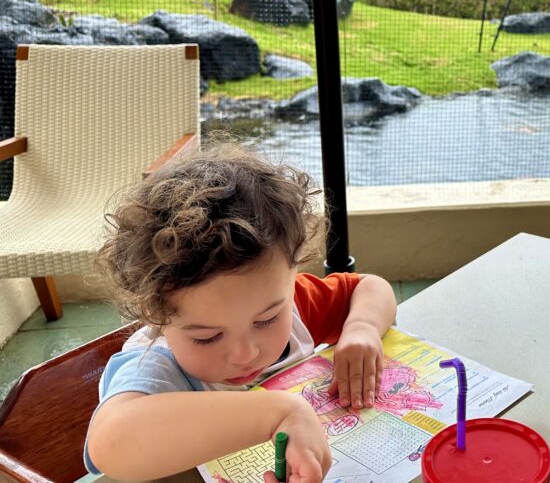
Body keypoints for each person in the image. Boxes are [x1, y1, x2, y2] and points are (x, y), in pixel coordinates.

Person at [85, 145, 397, 483]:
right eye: (207, 337)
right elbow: (111, 444)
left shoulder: (293, 307)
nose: (246, 353)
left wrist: (362, 327)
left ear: (292, 272)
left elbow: (369, 288)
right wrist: (280, 414)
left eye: (267, 319)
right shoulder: (156, 365)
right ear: (157, 318)